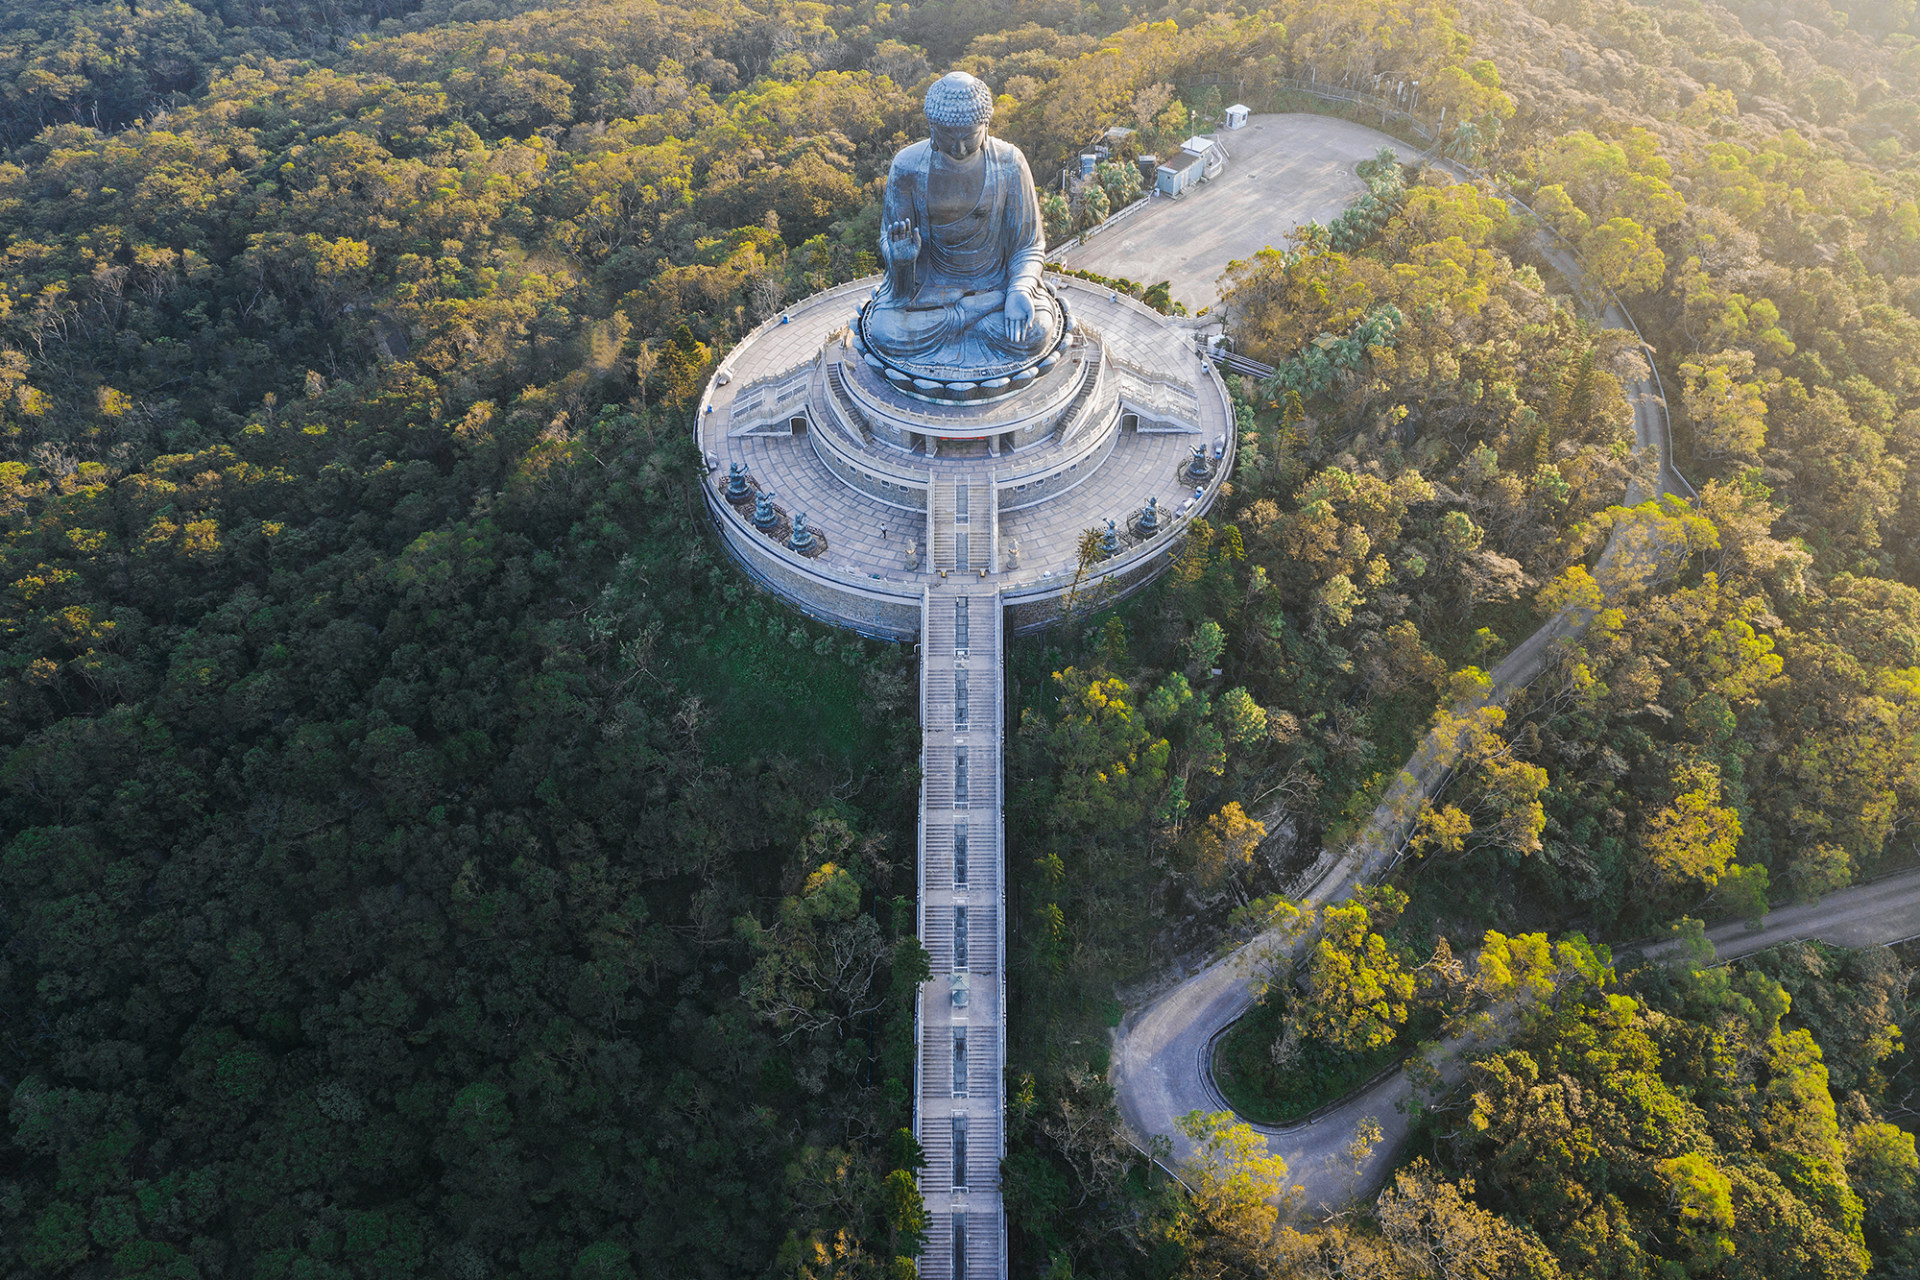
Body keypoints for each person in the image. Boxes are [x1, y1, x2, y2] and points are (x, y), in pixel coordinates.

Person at [863, 71, 1058, 372]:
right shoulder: (907, 167)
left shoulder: (1009, 163)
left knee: (1036, 331)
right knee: (886, 331)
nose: (958, 149)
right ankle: (973, 313)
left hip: (995, 284)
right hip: (930, 292)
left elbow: (1029, 245)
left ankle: (975, 312)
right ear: (932, 128)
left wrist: (1019, 289)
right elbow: (892, 249)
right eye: (947, 137)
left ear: (985, 125)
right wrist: (902, 261)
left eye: (969, 137)